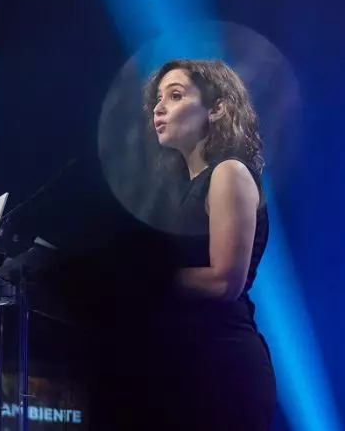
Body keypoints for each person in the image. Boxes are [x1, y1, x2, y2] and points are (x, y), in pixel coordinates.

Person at [89, 59, 276, 431]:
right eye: (158, 99)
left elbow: (225, 281)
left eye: (175, 96)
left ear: (217, 107)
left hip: (221, 368)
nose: (159, 108)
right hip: (184, 368)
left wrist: (141, 278)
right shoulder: (178, 193)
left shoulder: (229, 172)